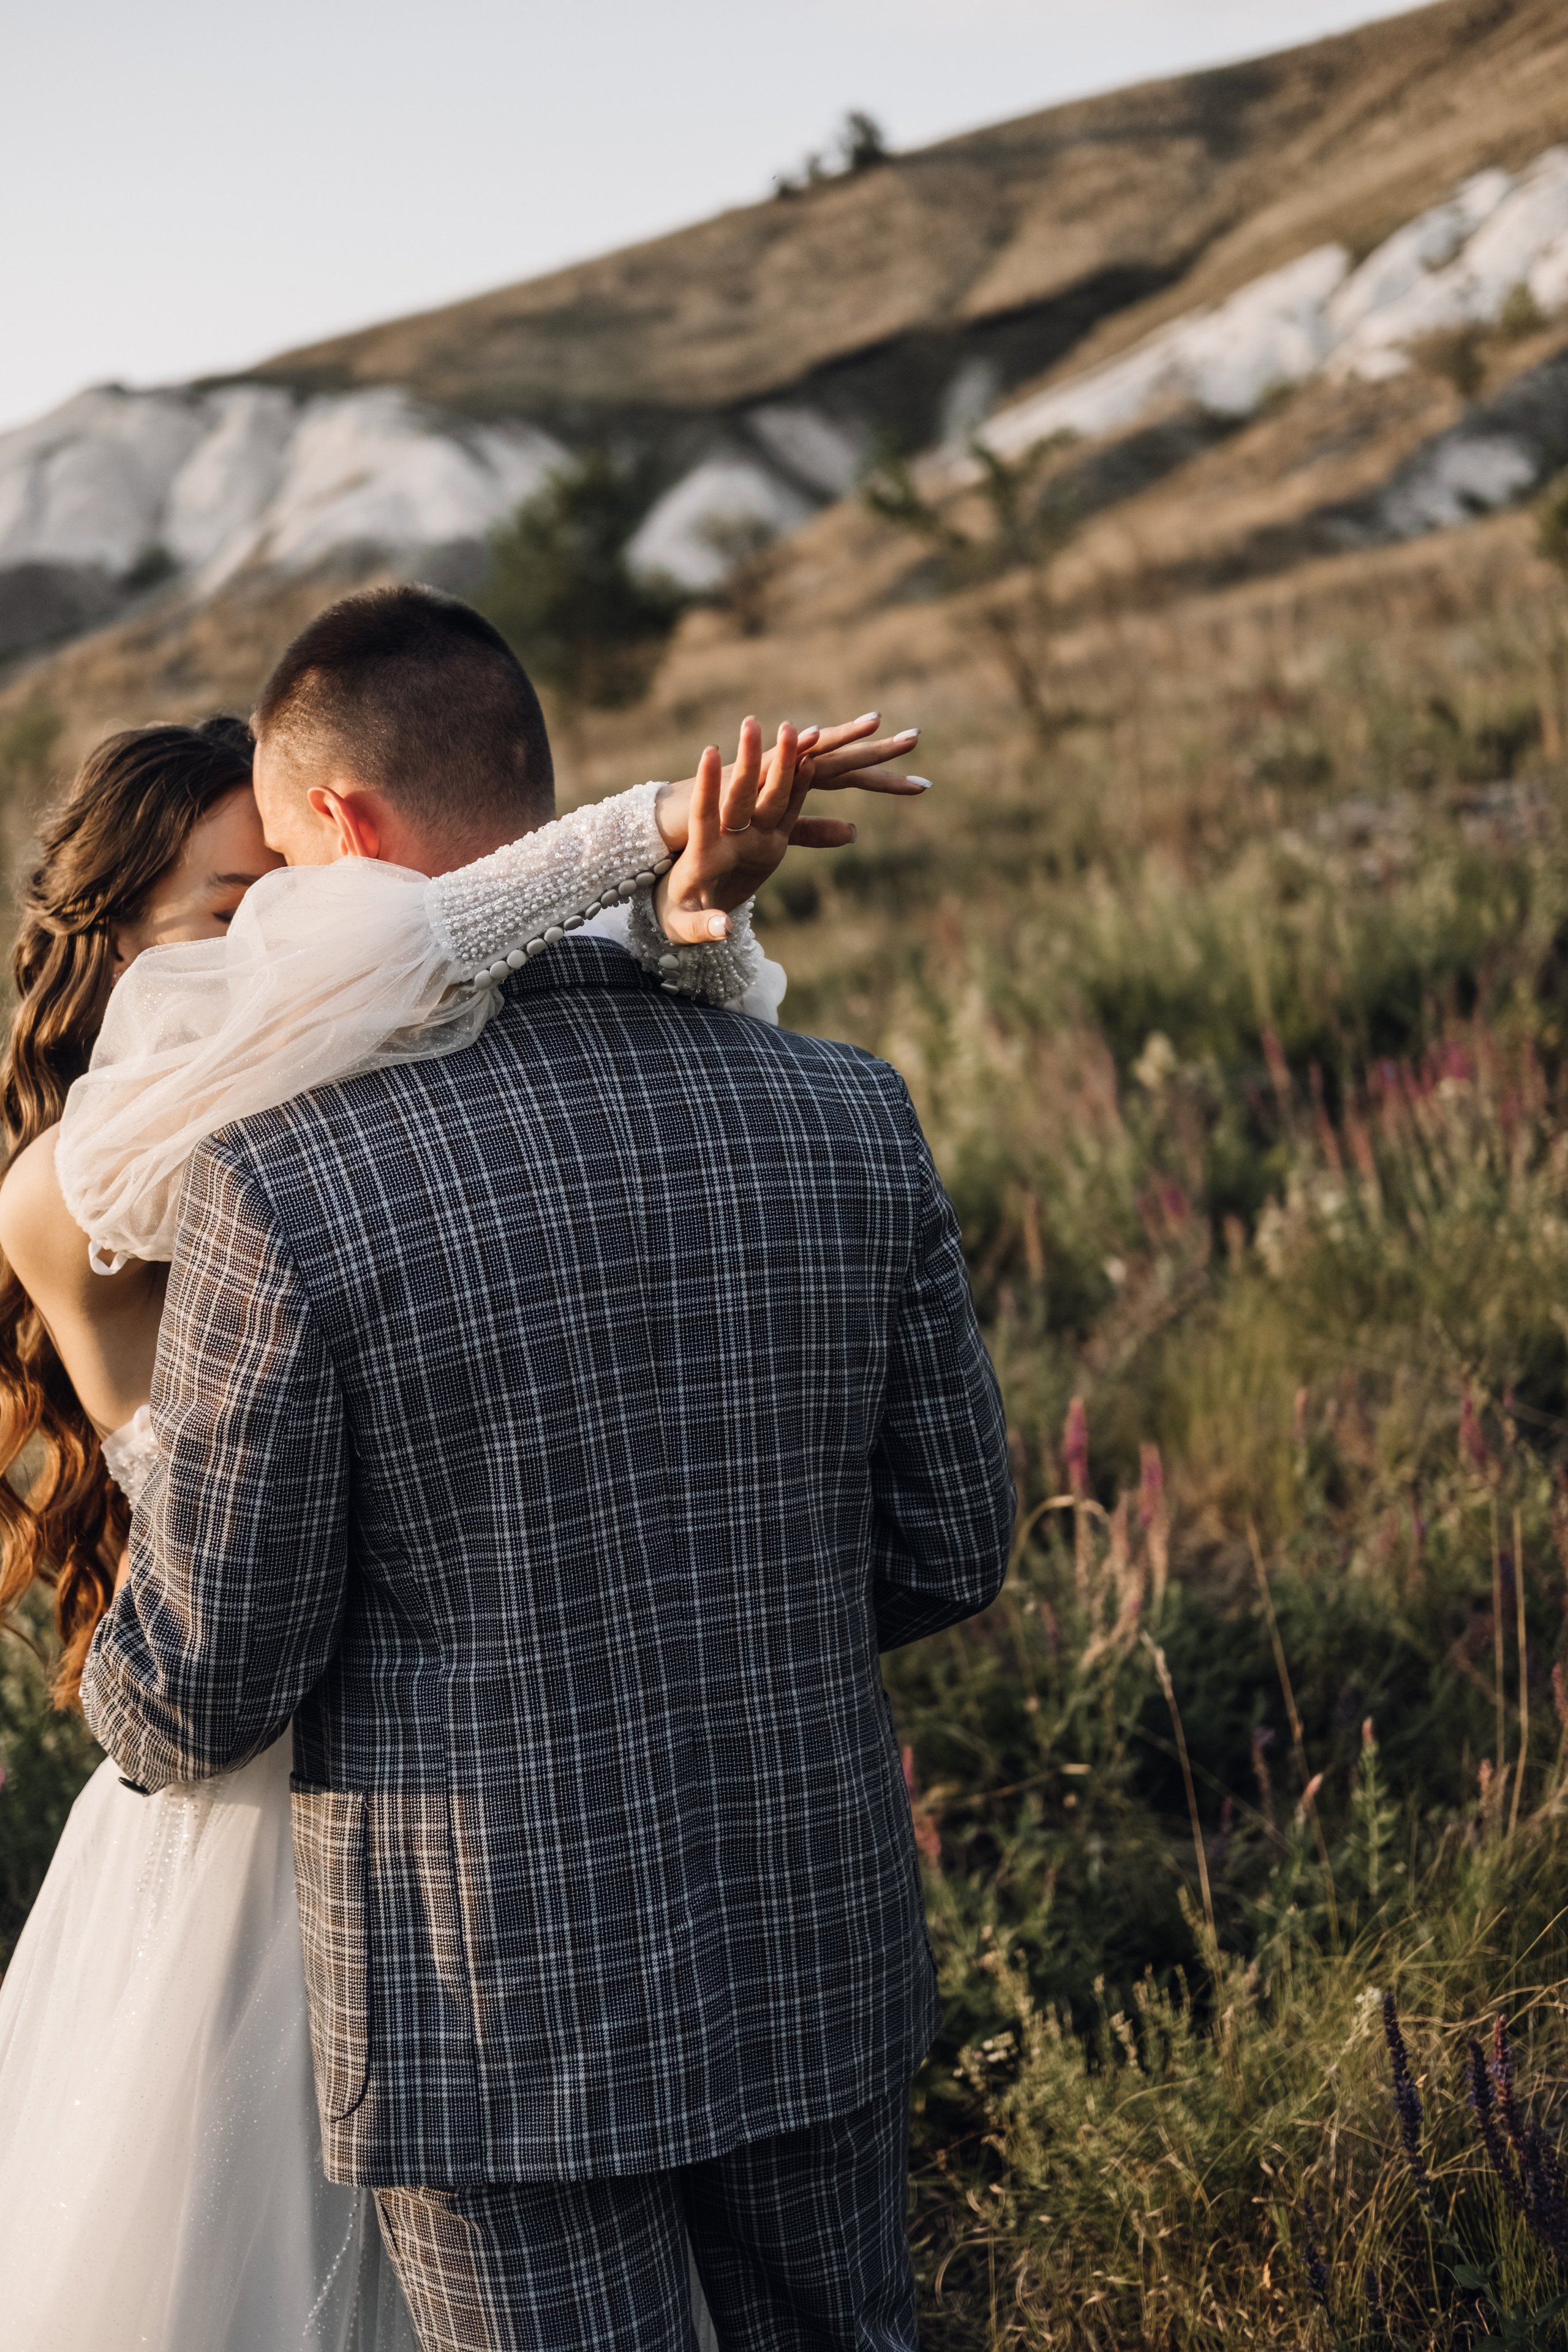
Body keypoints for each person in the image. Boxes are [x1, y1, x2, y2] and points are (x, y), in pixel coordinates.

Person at [0, 637, 924, 2350]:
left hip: (470, 1856)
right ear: (114, 947)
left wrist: (682, 926)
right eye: (231, 914)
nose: (289, 943)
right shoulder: (97, 1176)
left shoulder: (352, 1105)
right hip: (287, 1825)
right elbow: (410, 934)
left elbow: (447, 980)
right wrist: (639, 840)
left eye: (295, 896)